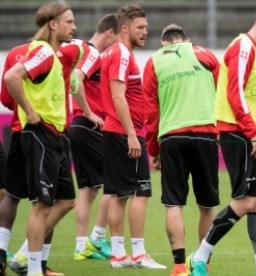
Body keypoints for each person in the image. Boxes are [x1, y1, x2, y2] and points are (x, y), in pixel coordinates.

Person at [188, 5, 256, 276]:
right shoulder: (242, 46)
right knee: (244, 201)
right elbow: (236, 94)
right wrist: (254, 133)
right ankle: (200, 256)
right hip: (240, 134)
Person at [3, 1, 77, 275]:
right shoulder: (44, 51)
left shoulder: (53, 54)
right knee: (40, 205)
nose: (74, 27)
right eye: (69, 22)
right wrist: (30, 111)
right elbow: (13, 76)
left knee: (66, 201)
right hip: (41, 134)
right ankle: (33, 268)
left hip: (55, 135)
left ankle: (24, 256)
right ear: (53, 24)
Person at [143, 23, 220, 276]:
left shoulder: (154, 62)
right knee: (207, 205)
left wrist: (153, 149)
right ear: (186, 39)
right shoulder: (206, 54)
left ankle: (178, 267)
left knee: (173, 203)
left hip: (172, 136)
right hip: (206, 134)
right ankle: (202, 263)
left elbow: (151, 112)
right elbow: (223, 94)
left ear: (164, 43)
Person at [100, 4, 165, 269]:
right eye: (140, 28)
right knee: (141, 192)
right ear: (124, 28)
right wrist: (130, 134)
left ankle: (118, 255)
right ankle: (138, 254)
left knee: (119, 195)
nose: (145, 32)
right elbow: (117, 96)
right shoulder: (122, 54)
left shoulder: (113, 53)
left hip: (116, 130)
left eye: (146, 28)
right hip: (124, 132)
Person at [69, 13, 118, 261]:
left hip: (78, 126)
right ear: (109, 33)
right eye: (116, 39)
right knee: (116, 183)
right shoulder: (92, 54)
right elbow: (74, 81)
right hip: (90, 125)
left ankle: (80, 247)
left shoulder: (81, 51)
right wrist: (90, 113)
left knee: (89, 188)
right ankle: (96, 241)